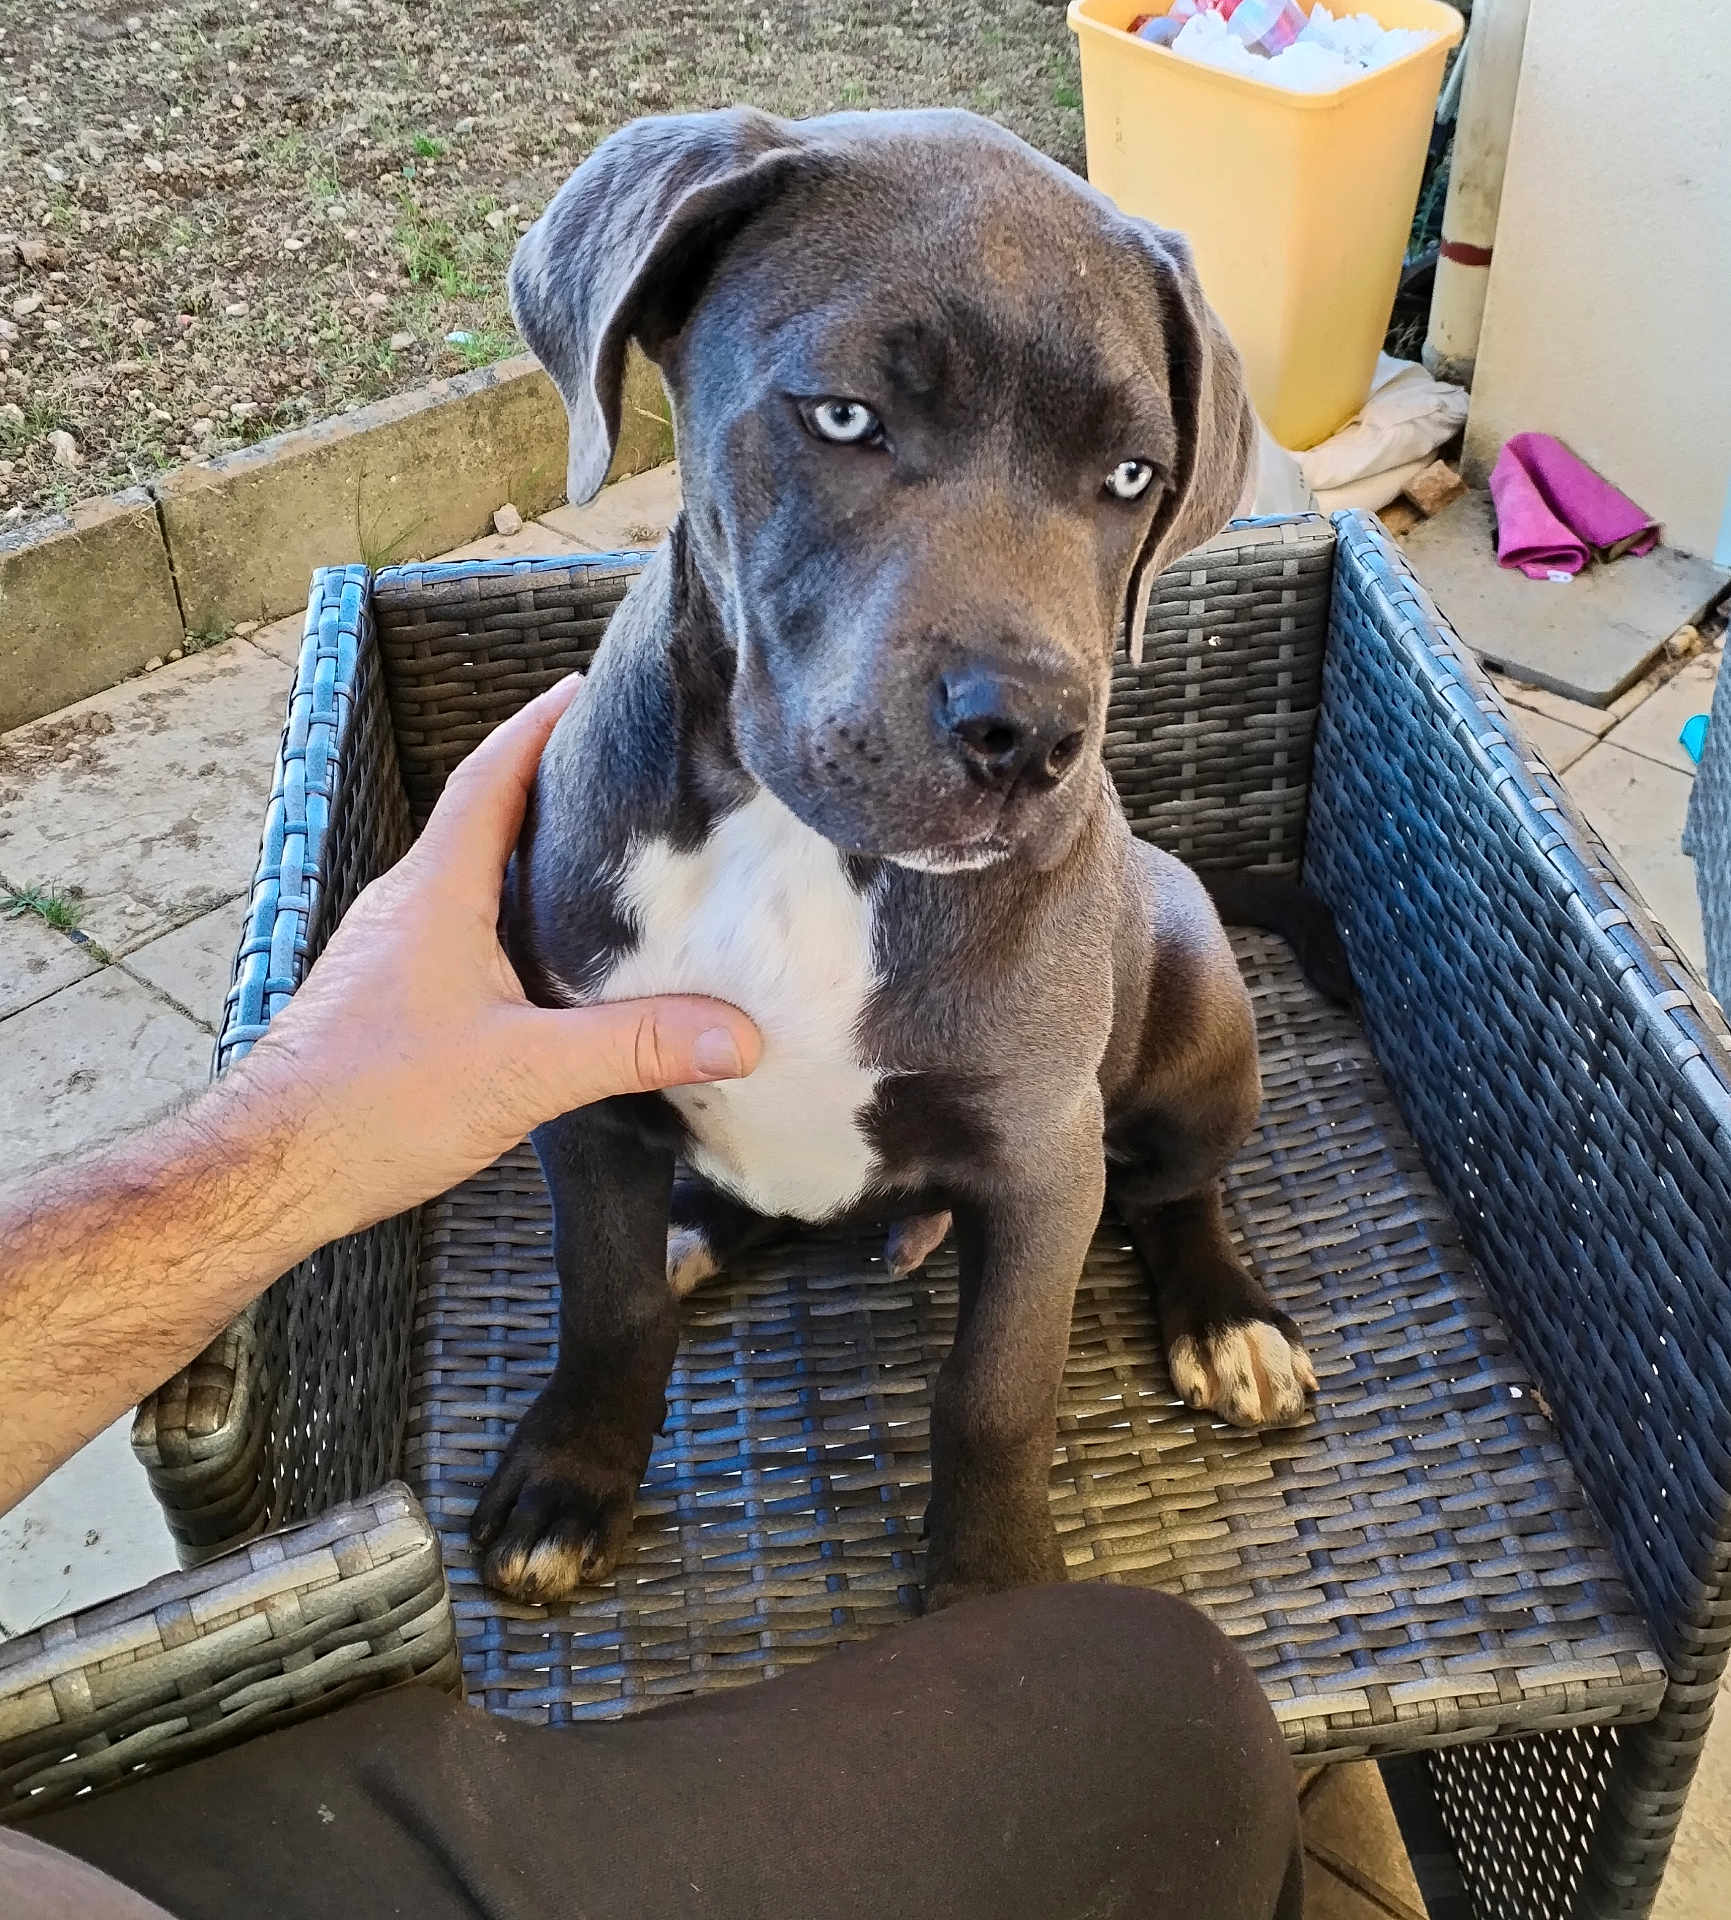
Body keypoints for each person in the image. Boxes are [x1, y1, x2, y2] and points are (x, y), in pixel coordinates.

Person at [0, 678, 1304, 1919]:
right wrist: (604, 1389)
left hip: (1017, 1108)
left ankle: (1184, 1224)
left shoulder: (1017, 792)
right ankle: (716, 1244)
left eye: (1122, 478)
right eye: (841, 421)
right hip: (767, 1125)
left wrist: (994, 1482)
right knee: (1165, 1711)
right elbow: (595, 1109)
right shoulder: (618, 813)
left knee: (1168, 978)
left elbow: (1045, 1138)